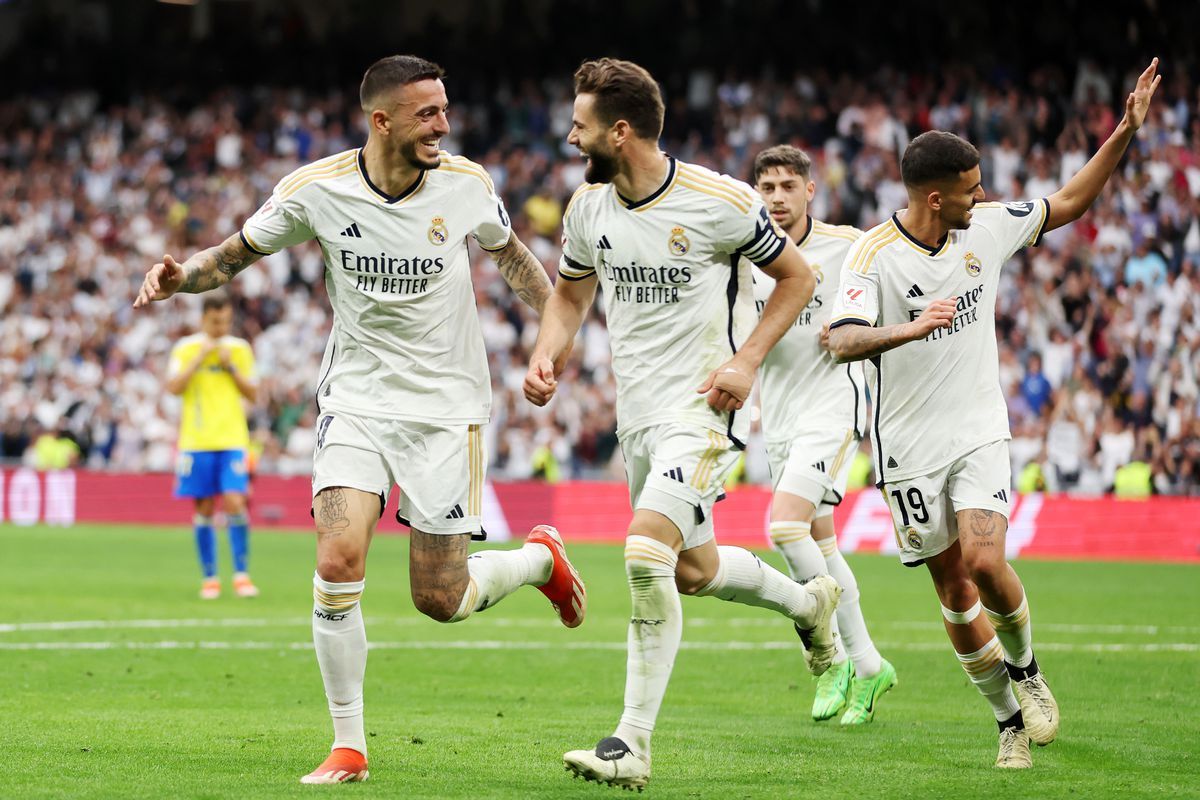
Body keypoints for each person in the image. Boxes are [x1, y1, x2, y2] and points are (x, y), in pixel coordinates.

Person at [135, 54, 587, 786]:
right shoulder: (318, 190)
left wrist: (552, 344)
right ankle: (349, 745)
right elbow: (237, 254)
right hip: (355, 401)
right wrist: (183, 277)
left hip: (446, 409)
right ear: (382, 120)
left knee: (441, 600)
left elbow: (518, 266)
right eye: (428, 113)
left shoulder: (467, 186)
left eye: (444, 109)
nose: (444, 124)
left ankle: (540, 560)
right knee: (338, 559)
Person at [826, 59, 1161, 768]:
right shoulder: (873, 256)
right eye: (972, 191)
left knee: (984, 561)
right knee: (952, 587)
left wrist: (1124, 132)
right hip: (908, 448)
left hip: (978, 426)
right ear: (935, 198)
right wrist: (909, 330)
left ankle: (1028, 670)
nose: (985, 199)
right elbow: (840, 339)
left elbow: (1067, 202)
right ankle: (1009, 722)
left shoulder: (986, 228)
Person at [524, 58, 839, 791]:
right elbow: (569, 297)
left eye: (581, 126)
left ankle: (631, 743)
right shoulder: (587, 210)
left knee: (642, 556)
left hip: (704, 410)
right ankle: (809, 604)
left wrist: (748, 361)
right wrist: (547, 352)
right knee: (691, 570)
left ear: (621, 131)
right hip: (637, 416)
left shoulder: (718, 201)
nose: (572, 138)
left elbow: (800, 276)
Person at [749, 145, 895, 724]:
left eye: (788, 186)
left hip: (834, 405)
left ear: (811, 190)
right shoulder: (744, 254)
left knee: (783, 525)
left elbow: (881, 305)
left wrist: (859, 328)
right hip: (778, 415)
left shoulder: (849, 246)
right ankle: (869, 663)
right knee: (821, 544)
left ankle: (828, 654)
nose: (778, 198)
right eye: (767, 188)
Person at [166, 293, 259, 600]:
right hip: (196, 441)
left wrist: (231, 368)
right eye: (215, 321)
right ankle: (210, 578)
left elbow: (254, 394)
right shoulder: (186, 348)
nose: (221, 327)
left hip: (232, 439)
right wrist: (198, 359)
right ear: (203, 319)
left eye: (225, 321)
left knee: (235, 502)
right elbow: (173, 388)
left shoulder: (239, 349)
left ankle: (242, 575)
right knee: (204, 508)